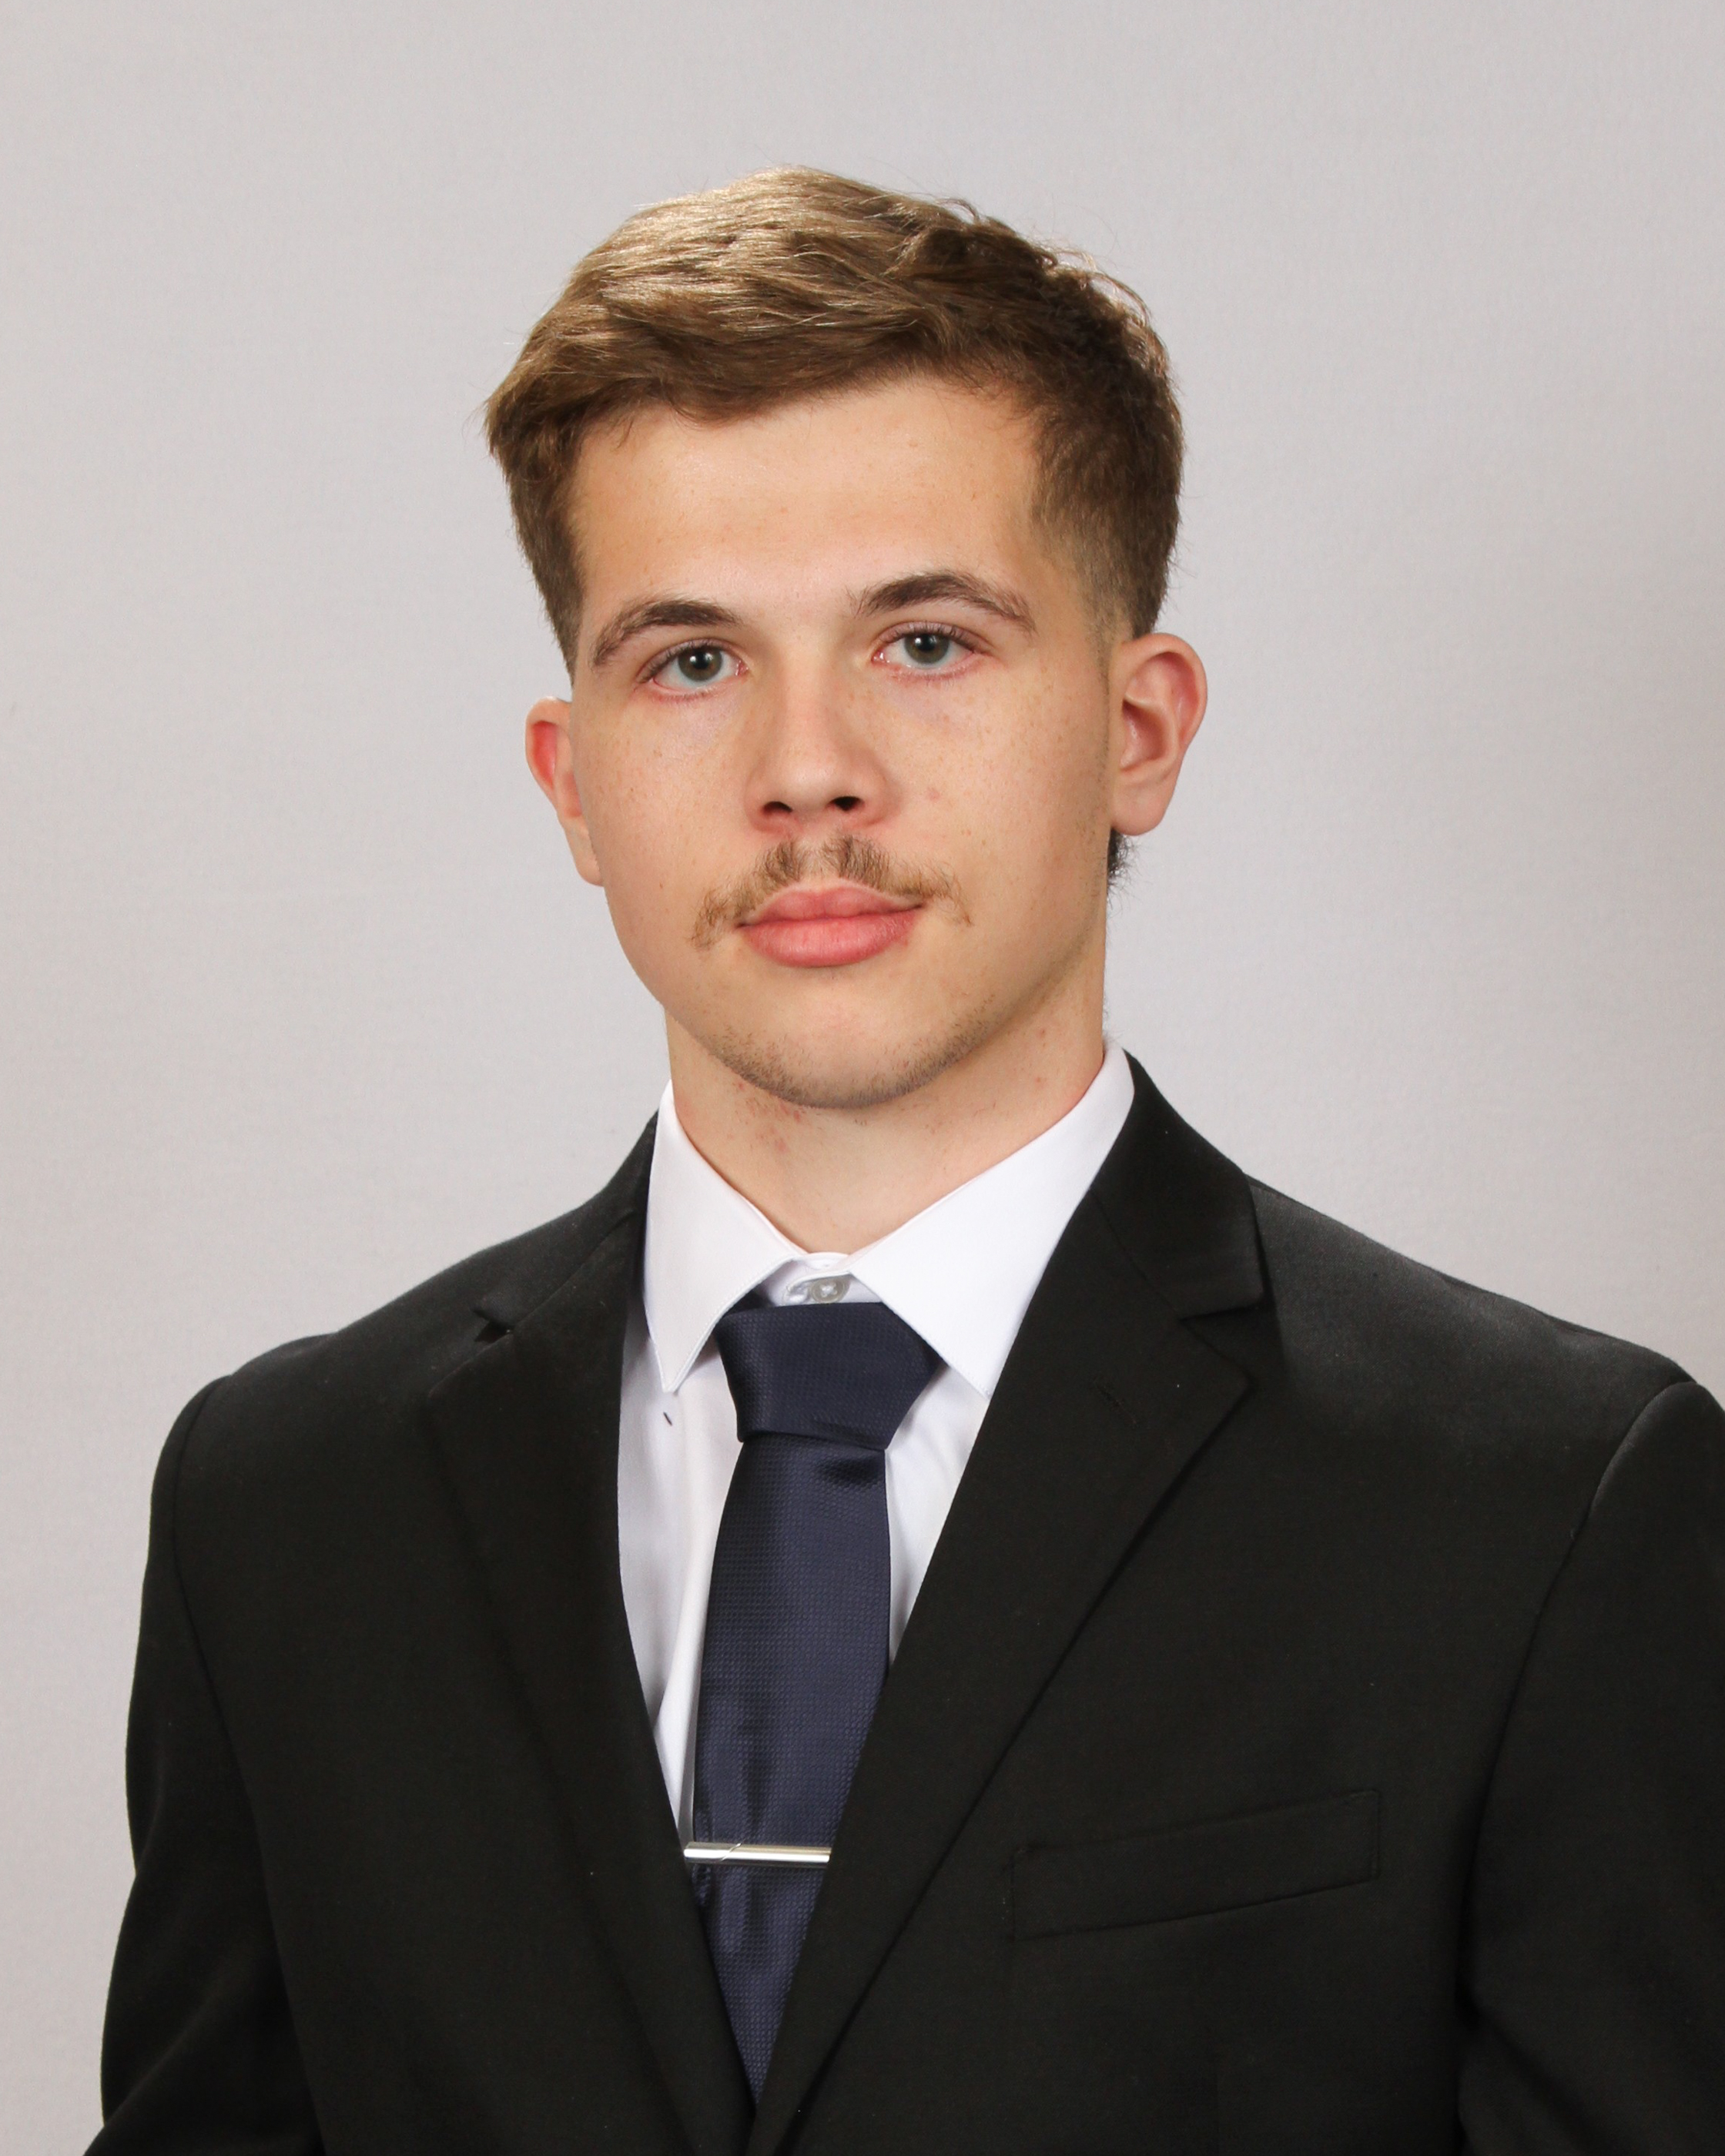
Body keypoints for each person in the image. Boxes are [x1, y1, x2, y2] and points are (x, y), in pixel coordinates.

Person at [90, 168, 1724, 2155]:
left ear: (1139, 727)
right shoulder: (286, 1513)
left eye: (927, 642)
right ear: (573, 780)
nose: (808, 770)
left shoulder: (1542, 1514)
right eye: (693, 662)